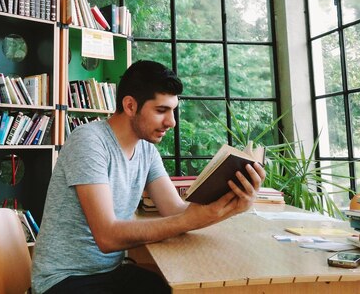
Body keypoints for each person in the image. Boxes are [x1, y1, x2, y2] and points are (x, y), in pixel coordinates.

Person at [31, 60, 266, 294]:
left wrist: (234, 206)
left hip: (110, 273)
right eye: (161, 110)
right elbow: (107, 237)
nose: (172, 122)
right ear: (131, 106)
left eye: (173, 110)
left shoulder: (147, 151)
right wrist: (194, 218)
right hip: (64, 279)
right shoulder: (89, 141)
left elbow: (175, 210)